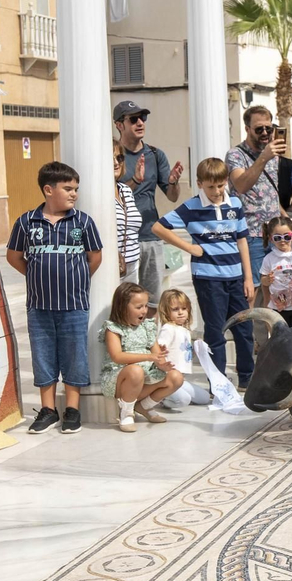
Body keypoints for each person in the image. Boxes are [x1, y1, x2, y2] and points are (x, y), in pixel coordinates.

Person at [4, 161, 102, 435]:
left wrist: (78, 279)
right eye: (68, 188)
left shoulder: (83, 222)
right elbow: (14, 257)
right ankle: (48, 410)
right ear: (48, 190)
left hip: (74, 306)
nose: (74, 194)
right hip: (39, 307)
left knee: (74, 356)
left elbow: (95, 257)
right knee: (43, 356)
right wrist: (36, 275)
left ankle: (72, 410)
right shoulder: (26, 222)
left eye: (76, 189)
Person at [152, 157, 254, 387]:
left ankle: (247, 378)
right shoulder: (191, 207)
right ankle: (217, 381)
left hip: (236, 277)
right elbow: (158, 227)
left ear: (226, 181)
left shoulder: (235, 204)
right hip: (208, 279)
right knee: (215, 330)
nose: (217, 191)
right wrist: (188, 247)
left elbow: (242, 241)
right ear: (199, 184)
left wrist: (248, 277)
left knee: (244, 328)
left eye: (220, 186)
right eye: (210, 187)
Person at [114, 100, 183, 301]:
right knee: (126, 301)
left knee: (152, 300)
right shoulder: (115, 157)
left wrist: (173, 182)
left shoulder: (155, 154)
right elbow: (111, 193)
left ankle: (149, 334)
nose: (140, 123)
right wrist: (135, 179)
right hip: (125, 240)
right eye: (133, 119)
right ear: (119, 125)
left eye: (143, 118)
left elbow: (172, 196)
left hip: (151, 237)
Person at [100, 282, 183, 433]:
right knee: (136, 371)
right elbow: (117, 356)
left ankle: (144, 406)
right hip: (120, 377)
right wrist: (149, 357)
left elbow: (157, 354)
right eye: (139, 307)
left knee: (176, 377)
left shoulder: (147, 326)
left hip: (145, 374)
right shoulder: (113, 328)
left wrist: (162, 364)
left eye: (145, 306)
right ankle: (126, 412)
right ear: (122, 307)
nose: (144, 311)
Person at [227, 104, 292, 281]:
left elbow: (268, 192)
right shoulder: (236, 155)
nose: (265, 132)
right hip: (251, 235)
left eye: (268, 128)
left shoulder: (274, 156)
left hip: (274, 235)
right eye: (259, 129)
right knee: (255, 289)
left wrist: (284, 215)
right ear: (247, 129)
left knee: (277, 286)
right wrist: (264, 157)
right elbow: (241, 185)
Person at [155, 290, 208, 409]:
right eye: (175, 309)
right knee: (183, 400)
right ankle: (161, 398)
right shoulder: (168, 328)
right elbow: (159, 349)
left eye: (184, 308)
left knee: (204, 398)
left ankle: (176, 393)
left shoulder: (185, 330)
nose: (180, 313)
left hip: (181, 379)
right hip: (169, 378)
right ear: (166, 311)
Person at [258, 215, 292, 326]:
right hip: (278, 306)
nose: (282, 241)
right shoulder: (269, 258)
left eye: (287, 237)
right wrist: (267, 280)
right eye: (277, 238)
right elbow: (263, 280)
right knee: (281, 337)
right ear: (271, 238)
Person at [112, 142, 141, 279]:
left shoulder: (125, 190)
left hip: (133, 262)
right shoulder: (98, 193)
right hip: (111, 265)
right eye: (110, 157)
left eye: (119, 158)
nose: (116, 162)